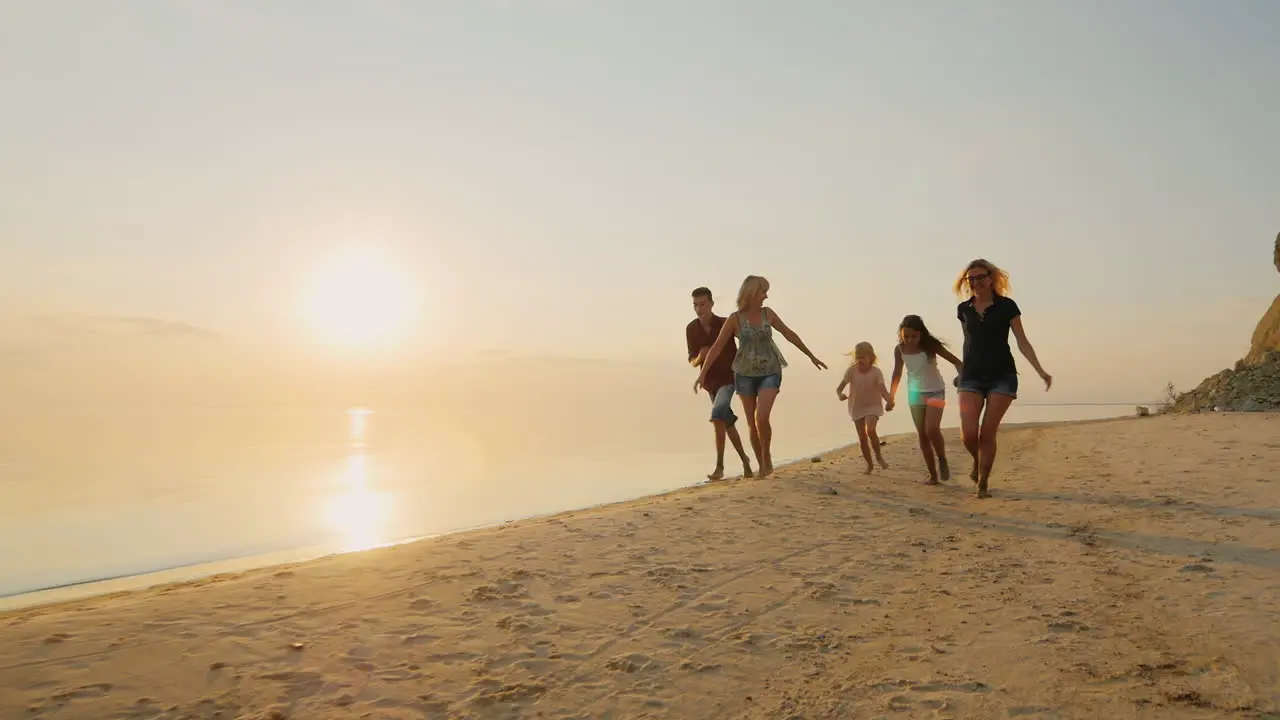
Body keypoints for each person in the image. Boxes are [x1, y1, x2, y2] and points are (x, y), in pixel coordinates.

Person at [695, 275, 827, 477]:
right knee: (751, 422)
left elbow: (789, 334)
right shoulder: (734, 319)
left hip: (770, 371)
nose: (766, 295)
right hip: (744, 374)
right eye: (763, 291)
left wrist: (810, 355)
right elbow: (716, 348)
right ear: (752, 293)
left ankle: (766, 458)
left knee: (761, 416)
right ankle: (762, 464)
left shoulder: (768, 313)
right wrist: (702, 375)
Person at [954, 259, 1052, 498]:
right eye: (971, 279)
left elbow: (1022, 341)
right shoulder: (963, 309)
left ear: (991, 278)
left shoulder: (1007, 306)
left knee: (987, 433)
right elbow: (970, 343)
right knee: (968, 434)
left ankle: (983, 482)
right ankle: (977, 464)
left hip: (1002, 377)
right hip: (971, 377)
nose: (975, 282)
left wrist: (1040, 370)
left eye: (980, 277)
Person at [686, 287, 754, 481]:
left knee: (718, 414)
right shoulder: (691, 329)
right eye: (695, 305)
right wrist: (700, 356)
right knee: (724, 420)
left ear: (711, 304)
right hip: (709, 381)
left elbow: (745, 342)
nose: (699, 309)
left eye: (702, 304)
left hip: (730, 377)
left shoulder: (725, 323)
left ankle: (720, 467)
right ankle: (745, 461)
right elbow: (692, 361)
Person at [889, 315, 964, 485]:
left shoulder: (930, 346)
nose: (909, 340)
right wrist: (891, 397)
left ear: (920, 334)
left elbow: (957, 362)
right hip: (914, 394)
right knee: (922, 435)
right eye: (905, 336)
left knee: (932, 429)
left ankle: (942, 458)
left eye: (913, 336)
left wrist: (961, 377)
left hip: (935, 391)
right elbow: (897, 373)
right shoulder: (899, 350)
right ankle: (933, 476)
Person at [836, 341, 893, 474]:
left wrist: (889, 401)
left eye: (863, 357)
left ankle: (878, 456)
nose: (860, 360)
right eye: (858, 357)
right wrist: (840, 395)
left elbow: (882, 390)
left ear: (871, 358)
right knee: (862, 437)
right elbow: (839, 389)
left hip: (873, 406)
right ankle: (869, 465)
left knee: (870, 430)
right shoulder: (851, 371)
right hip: (856, 407)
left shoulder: (876, 372)